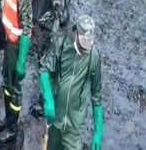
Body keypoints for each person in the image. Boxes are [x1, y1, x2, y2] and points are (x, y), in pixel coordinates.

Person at [39, 15, 103, 150]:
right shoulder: (61, 45)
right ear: (75, 34)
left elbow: (96, 96)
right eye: (83, 45)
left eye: (88, 45)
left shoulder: (94, 57)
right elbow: (44, 70)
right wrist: (48, 99)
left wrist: (98, 132)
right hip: (55, 119)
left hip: (74, 127)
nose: (85, 49)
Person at [0, 0, 33, 145]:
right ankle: (6, 119)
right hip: (7, 37)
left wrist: (21, 61)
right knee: (6, 82)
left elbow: (27, 27)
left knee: (14, 87)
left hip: (16, 44)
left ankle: (12, 127)